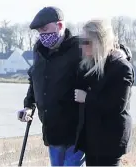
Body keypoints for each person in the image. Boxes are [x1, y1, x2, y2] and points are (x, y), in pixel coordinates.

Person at [16, 6, 85, 166]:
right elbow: (35, 80)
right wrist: (29, 105)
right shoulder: (39, 50)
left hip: (76, 131)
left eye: (45, 29)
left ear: (60, 25)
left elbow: (107, 54)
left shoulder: (79, 47)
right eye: (40, 31)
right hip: (52, 130)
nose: (42, 35)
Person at [74, 19, 135, 166]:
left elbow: (117, 105)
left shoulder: (121, 67)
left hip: (110, 139)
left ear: (100, 41)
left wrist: (87, 98)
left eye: (87, 42)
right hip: (92, 138)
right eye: (81, 41)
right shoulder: (91, 65)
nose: (83, 46)